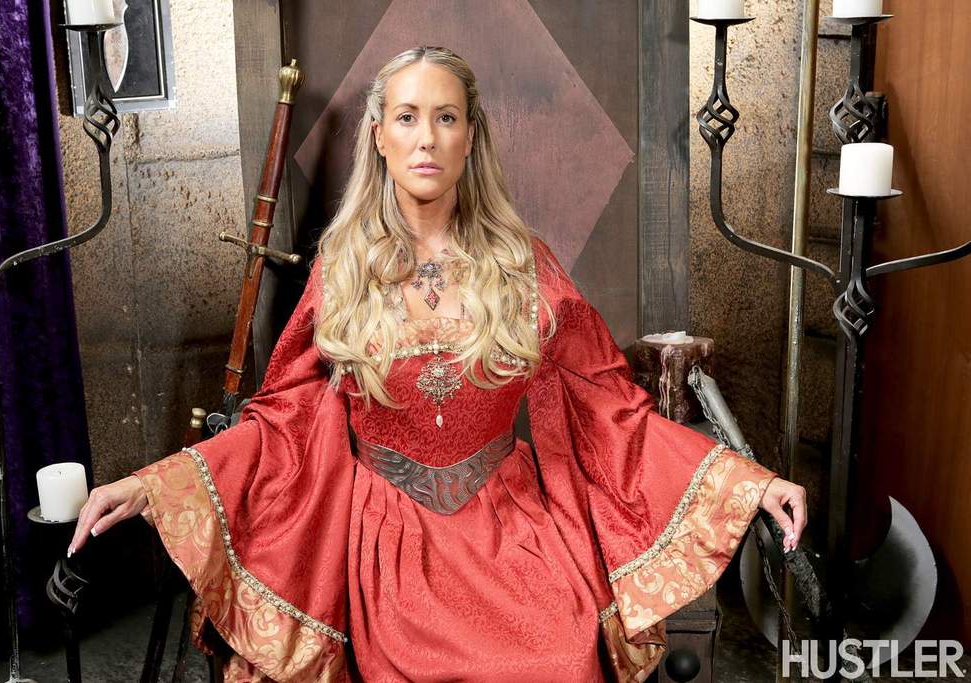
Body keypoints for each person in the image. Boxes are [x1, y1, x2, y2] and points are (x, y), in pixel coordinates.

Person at [69, 46, 806, 682]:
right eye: (407, 117)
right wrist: (153, 484)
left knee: (560, 655)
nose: (427, 137)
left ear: (470, 137)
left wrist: (748, 482)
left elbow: (613, 411)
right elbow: (282, 421)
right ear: (379, 136)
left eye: (446, 117)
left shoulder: (523, 264)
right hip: (387, 545)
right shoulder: (342, 268)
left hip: (513, 534)